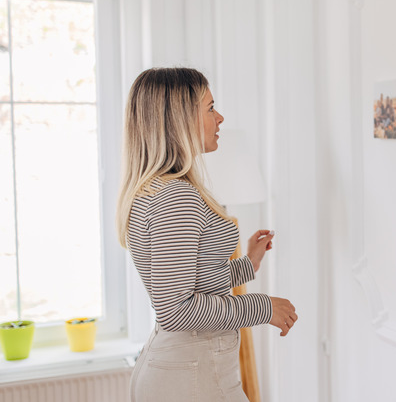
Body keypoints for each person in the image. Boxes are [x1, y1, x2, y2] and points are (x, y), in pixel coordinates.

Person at [116, 67, 298, 402]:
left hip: (188, 370)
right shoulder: (175, 197)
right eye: (210, 108)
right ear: (179, 119)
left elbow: (195, 282)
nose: (220, 117)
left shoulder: (159, 190)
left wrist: (248, 264)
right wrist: (263, 307)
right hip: (191, 375)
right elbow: (176, 309)